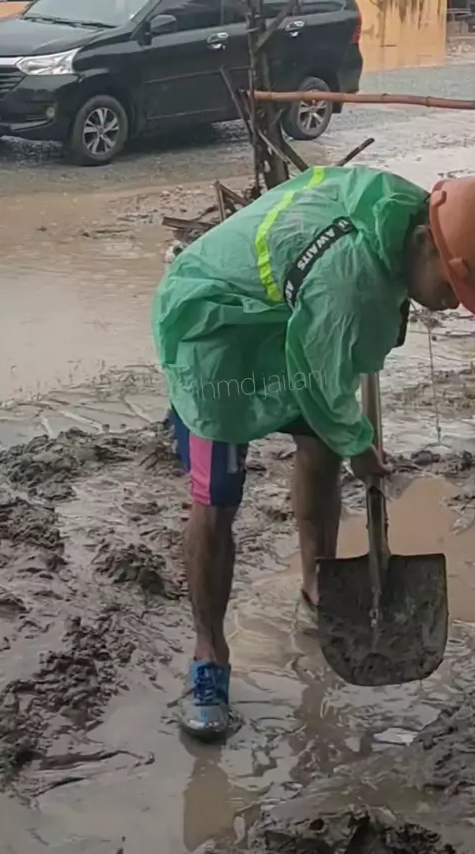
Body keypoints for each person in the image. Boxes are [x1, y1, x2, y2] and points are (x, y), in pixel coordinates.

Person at [152, 165, 475, 740]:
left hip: (290, 312)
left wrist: (344, 436)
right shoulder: (351, 283)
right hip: (215, 327)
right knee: (218, 497)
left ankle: (317, 590)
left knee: (321, 449)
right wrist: (360, 446)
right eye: (452, 286)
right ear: (426, 243)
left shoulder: (401, 211)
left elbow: (330, 358)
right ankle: (209, 659)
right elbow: (325, 377)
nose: (451, 305)